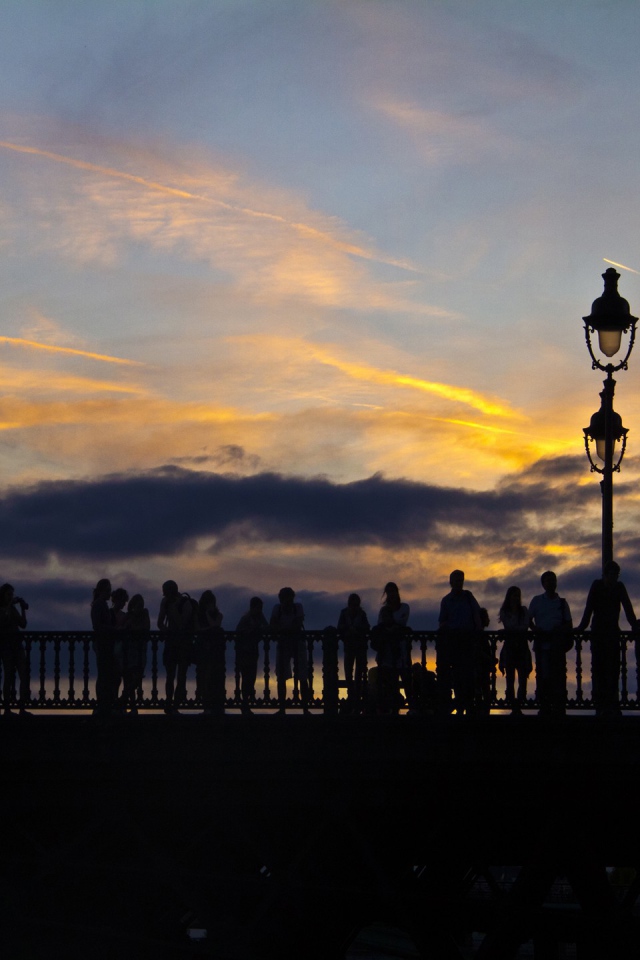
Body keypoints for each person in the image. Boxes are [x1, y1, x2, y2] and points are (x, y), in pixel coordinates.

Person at [576, 560, 636, 718]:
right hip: (598, 634)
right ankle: (602, 705)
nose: (614, 578)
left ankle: (612, 705)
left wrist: (635, 625)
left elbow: (628, 609)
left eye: (616, 575)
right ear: (605, 575)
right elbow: (589, 609)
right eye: (611, 575)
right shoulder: (597, 586)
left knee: (613, 671)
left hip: (612, 634)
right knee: (599, 670)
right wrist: (581, 627)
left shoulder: (619, 587)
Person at [438, 570, 483, 715]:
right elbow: (442, 622)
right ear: (451, 582)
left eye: (461, 580)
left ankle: (468, 705)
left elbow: (477, 614)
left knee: (468, 674)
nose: (459, 583)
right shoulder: (446, 600)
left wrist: (478, 631)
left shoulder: (468, 597)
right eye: (457, 580)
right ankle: (460, 706)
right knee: (457, 675)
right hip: (454, 641)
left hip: (468, 640)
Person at [529, 571, 573, 718]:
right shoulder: (536, 601)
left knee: (558, 676)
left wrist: (559, 629)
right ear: (543, 584)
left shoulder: (562, 603)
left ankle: (558, 707)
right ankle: (545, 706)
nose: (550, 583)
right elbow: (528, 620)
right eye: (547, 581)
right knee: (544, 676)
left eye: (552, 580)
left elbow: (569, 624)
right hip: (542, 645)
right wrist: (535, 629)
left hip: (557, 645)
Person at [370, 582, 411, 714]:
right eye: (389, 592)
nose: (391, 595)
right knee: (390, 682)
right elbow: (381, 625)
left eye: (393, 591)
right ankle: (392, 709)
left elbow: (401, 622)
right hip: (386, 651)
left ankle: (411, 707)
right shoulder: (384, 610)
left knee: (406, 679)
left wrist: (391, 625)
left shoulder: (404, 607)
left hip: (401, 651)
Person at [157, 580, 196, 715]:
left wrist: (173, 609)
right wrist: (166, 630)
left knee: (181, 676)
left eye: (165, 591)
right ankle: (170, 704)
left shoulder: (185, 603)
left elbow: (182, 625)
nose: (163, 594)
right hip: (172, 643)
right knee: (171, 675)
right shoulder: (165, 602)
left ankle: (175, 705)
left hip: (183, 643)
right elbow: (160, 623)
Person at [270, 587, 309, 714]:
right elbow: (273, 625)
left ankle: (303, 709)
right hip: (284, 645)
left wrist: (282, 630)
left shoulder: (297, 607)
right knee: (282, 677)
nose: (286, 601)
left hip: (295, 644)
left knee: (302, 676)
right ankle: (285, 709)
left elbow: (296, 625)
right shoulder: (278, 609)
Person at [498, 586, 532, 715]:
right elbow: (511, 626)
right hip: (510, 647)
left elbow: (524, 627)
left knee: (522, 679)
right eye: (514, 595)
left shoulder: (524, 610)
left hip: (522, 647)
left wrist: (510, 630)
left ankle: (519, 704)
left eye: (518, 595)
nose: (516, 598)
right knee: (510, 679)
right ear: (509, 597)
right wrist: (514, 629)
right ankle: (514, 706)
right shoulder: (504, 611)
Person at [337, 593, 371, 714]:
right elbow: (340, 628)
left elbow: (366, 627)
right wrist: (348, 630)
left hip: (359, 646)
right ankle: (352, 696)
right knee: (349, 672)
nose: (354, 606)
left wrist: (355, 630)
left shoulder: (361, 614)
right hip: (350, 646)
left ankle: (356, 696)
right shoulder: (345, 613)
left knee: (358, 672)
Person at [0, 583, 30, 717]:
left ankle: (22, 708)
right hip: (6, 647)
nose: (11, 597)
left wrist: (23, 609)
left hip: (17, 646)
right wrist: (9, 606)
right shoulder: (3, 609)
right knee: (8, 677)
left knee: (23, 676)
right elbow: (3, 621)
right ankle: (7, 709)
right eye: (8, 594)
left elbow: (23, 624)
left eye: (12, 594)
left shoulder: (12, 608)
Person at [195, 591, 226, 716]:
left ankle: (216, 707)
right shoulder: (198, 615)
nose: (210, 605)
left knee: (216, 678)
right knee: (204, 678)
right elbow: (198, 629)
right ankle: (207, 707)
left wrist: (208, 615)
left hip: (216, 652)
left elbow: (215, 625)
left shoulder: (218, 614)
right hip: (204, 650)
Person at [235, 597, 268, 715]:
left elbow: (267, 627)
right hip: (244, 652)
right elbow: (238, 632)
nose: (260, 610)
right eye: (258, 608)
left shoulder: (258, 618)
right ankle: (245, 704)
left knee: (251, 677)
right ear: (253, 607)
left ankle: (246, 703)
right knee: (246, 678)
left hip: (253, 651)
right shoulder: (246, 618)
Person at [91, 578, 118, 718]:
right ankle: (102, 704)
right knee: (104, 675)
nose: (110, 593)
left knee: (106, 675)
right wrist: (114, 629)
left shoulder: (101, 604)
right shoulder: (99, 604)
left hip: (105, 644)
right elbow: (97, 625)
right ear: (101, 591)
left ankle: (104, 703)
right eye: (108, 590)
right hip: (103, 644)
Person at [120, 594, 150, 716]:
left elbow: (146, 627)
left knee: (137, 677)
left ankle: (124, 698)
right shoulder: (129, 615)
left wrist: (132, 628)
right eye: (138, 605)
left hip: (140, 650)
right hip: (130, 650)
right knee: (129, 677)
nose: (140, 607)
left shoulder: (144, 614)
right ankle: (131, 706)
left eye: (141, 605)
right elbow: (123, 627)